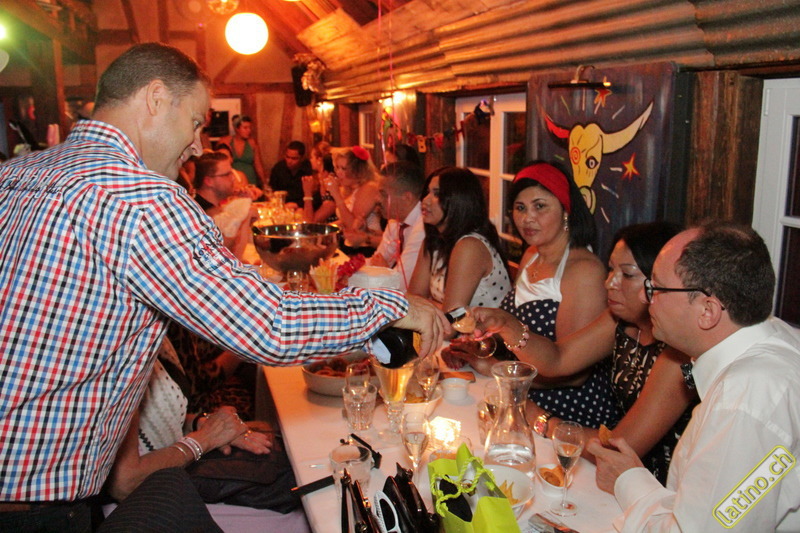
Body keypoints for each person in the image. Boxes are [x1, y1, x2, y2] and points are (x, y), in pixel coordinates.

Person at [0, 42, 447, 527]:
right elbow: (269, 325)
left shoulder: (15, 174)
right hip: (32, 505)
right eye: (195, 122)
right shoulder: (141, 199)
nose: (196, 145)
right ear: (155, 98)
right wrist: (389, 306)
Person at [587, 222, 800, 532]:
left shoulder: (744, 399)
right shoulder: (773, 337)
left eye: (656, 288)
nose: (647, 298)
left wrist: (627, 481)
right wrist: (632, 479)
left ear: (707, 310)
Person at [471, 221, 695, 482]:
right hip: (614, 473)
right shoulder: (620, 321)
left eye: (627, 274)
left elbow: (618, 448)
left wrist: (541, 420)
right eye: (611, 270)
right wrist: (507, 326)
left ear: (659, 283)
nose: (610, 283)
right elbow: (558, 359)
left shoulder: (677, 352)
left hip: (655, 485)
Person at [444, 161, 617, 429]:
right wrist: (480, 348)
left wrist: (496, 369)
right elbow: (520, 334)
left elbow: (574, 375)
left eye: (540, 206)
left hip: (567, 413)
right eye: (520, 208)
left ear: (566, 211)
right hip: (520, 396)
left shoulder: (584, 271)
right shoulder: (531, 255)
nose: (527, 218)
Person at [107, 338, 296, 512]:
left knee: (279, 443)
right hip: (149, 502)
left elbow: (160, 418)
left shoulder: (154, 338)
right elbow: (125, 483)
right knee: (290, 476)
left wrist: (204, 424)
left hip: (175, 463)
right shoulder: (119, 353)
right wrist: (204, 440)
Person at [408, 166, 511, 311]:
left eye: (437, 194)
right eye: (427, 192)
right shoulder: (434, 241)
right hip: (446, 324)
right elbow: (413, 298)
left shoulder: (470, 246)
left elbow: (453, 316)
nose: (425, 200)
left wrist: (428, 305)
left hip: (481, 326)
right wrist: (436, 307)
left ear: (459, 201)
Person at [369, 161, 426, 290]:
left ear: (407, 197)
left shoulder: (423, 226)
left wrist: (384, 270)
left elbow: (401, 283)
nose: (377, 199)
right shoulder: (395, 221)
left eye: (383, 194)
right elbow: (376, 261)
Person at [327, 146, 383, 256]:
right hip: (351, 245)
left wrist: (336, 195)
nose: (339, 173)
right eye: (337, 168)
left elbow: (353, 226)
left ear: (358, 170)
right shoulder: (349, 189)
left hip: (367, 248)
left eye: (344, 169)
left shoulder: (369, 187)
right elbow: (344, 220)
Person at [218, 115, 266, 189]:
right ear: (237, 129)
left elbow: (258, 165)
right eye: (245, 128)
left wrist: (264, 182)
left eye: (250, 128)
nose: (249, 130)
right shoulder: (226, 141)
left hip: (250, 179)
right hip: (234, 180)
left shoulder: (252, 143)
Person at [301, 141, 337, 223]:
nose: (310, 160)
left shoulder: (330, 184)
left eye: (311, 157)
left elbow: (310, 222)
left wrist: (307, 194)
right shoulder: (319, 179)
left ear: (319, 160)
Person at [269, 140, 312, 207]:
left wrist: (297, 204)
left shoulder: (308, 169)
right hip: (282, 205)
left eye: (294, 158)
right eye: (287, 157)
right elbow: (272, 190)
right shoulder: (279, 168)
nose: (289, 161)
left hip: (302, 207)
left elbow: (314, 196)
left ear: (302, 158)